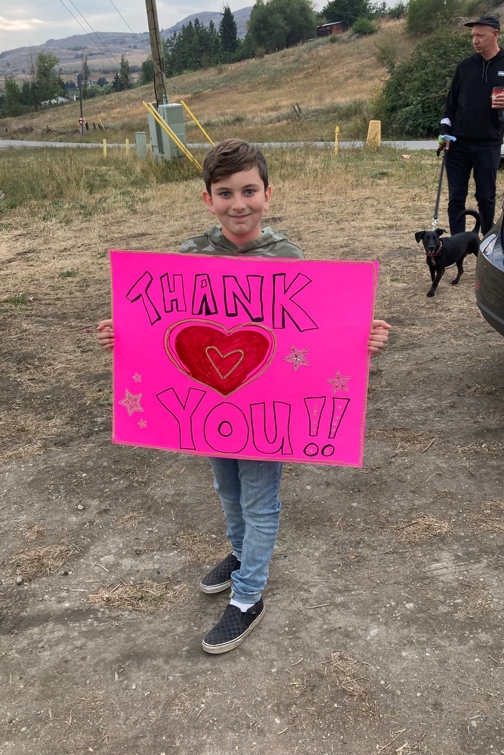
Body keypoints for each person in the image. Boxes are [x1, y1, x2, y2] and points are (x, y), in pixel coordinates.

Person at [97, 139, 391, 654]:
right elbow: (162, 324)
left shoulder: (289, 257)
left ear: (267, 194)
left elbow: (317, 330)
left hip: (265, 410)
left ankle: (248, 594)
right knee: (226, 488)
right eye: (226, 192)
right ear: (207, 198)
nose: (239, 204)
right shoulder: (190, 256)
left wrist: (362, 337)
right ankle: (239, 554)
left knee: (259, 499)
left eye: (249, 191)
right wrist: (119, 333)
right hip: (209, 403)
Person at [438, 14, 504, 236]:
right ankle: (458, 242)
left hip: (489, 143)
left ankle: (487, 242)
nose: (474, 40)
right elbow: (450, 105)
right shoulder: (465, 67)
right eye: (472, 36)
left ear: (495, 34)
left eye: (480, 36)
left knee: (485, 196)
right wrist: (444, 132)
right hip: (458, 143)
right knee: (456, 196)